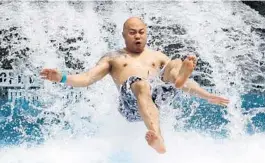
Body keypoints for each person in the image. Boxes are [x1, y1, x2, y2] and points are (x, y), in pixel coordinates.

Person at [40, 17, 229, 154]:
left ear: (146, 33)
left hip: (158, 98)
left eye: (141, 32)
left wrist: (206, 95)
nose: (137, 36)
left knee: (175, 65)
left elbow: (184, 82)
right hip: (130, 105)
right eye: (132, 33)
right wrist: (62, 77)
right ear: (124, 35)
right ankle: (158, 138)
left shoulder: (156, 55)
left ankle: (180, 73)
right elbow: (88, 78)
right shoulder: (113, 58)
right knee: (139, 83)